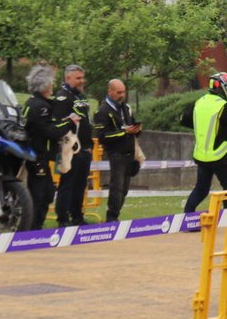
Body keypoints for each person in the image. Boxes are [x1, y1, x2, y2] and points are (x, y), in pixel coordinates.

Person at [181, 72, 227, 212]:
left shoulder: (199, 102)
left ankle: (187, 215)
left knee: (201, 188)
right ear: (224, 88)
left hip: (201, 156)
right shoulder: (224, 106)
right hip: (219, 155)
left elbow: (184, 119)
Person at [20, 65, 63, 228]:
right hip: (38, 155)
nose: (52, 86)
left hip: (37, 155)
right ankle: (33, 229)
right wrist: (68, 123)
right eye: (51, 83)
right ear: (44, 86)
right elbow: (50, 131)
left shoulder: (32, 103)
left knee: (47, 192)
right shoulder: (40, 107)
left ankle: (36, 226)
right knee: (39, 195)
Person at [51, 64, 94, 225]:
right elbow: (60, 124)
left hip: (84, 147)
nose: (82, 81)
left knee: (80, 184)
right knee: (67, 184)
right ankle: (62, 218)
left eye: (82, 77)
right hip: (70, 148)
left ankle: (77, 216)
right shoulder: (62, 98)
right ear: (67, 78)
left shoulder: (80, 96)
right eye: (78, 78)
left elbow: (86, 121)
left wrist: (89, 145)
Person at [96, 78, 143, 221]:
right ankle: (111, 219)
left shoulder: (126, 107)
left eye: (123, 92)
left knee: (124, 189)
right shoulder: (102, 111)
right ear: (110, 92)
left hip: (129, 153)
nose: (122, 95)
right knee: (116, 187)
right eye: (118, 92)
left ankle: (115, 216)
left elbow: (131, 125)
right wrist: (124, 132)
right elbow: (102, 136)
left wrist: (137, 129)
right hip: (116, 154)